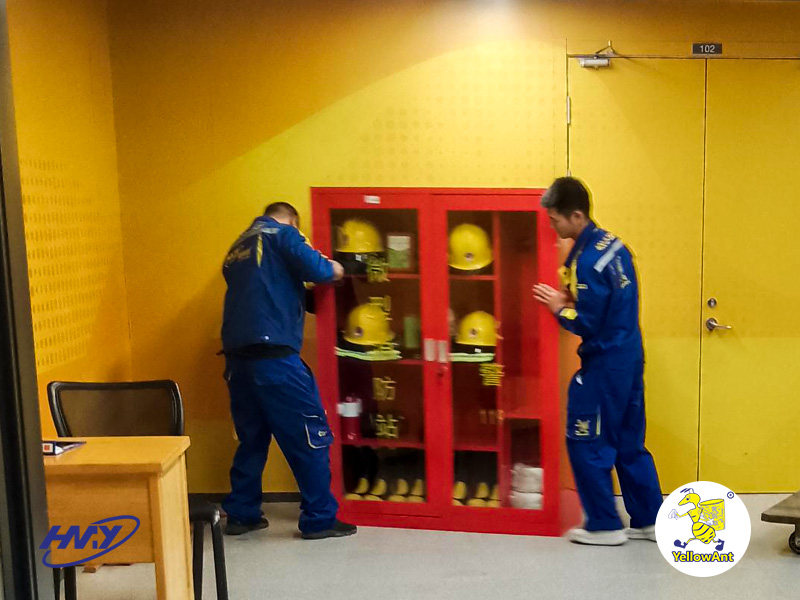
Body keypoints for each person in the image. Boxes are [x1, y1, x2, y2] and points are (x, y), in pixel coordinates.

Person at [533, 177, 662, 546]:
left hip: (604, 362)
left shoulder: (588, 261)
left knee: (585, 438)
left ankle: (604, 525)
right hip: (629, 356)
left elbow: (588, 322)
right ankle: (649, 520)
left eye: (556, 220)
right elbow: (611, 304)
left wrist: (559, 308)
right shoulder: (613, 245)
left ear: (577, 216)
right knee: (629, 441)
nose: (553, 227)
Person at [220, 201, 356, 540]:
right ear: (293, 221)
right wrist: (341, 268)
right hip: (275, 359)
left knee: (252, 440)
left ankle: (242, 514)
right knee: (310, 437)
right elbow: (320, 270)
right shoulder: (281, 234)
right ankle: (319, 519)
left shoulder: (239, 246)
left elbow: (269, 290)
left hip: (238, 362)